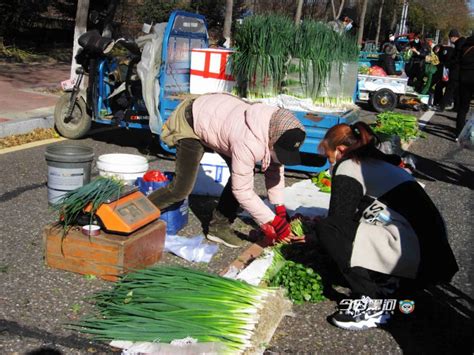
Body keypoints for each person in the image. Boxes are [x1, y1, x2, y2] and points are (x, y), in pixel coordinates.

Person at [309, 122, 458, 331]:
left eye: (329, 155)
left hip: (416, 254)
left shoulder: (349, 166)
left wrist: (312, 235)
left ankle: (373, 302)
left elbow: (338, 221)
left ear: (341, 150)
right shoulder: (378, 162)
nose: (329, 161)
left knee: (329, 229)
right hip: (434, 256)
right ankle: (389, 281)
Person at [147, 93, 306, 248]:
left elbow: (275, 166)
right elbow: (242, 191)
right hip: (192, 121)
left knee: (242, 177)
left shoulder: (277, 126)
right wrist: (274, 222)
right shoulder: (249, 141)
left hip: (217, 122)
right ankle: (139, 212)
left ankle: (218, 227)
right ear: (273, 138)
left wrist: (280, 209)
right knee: (180, 189)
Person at [436, 29, 466, 112]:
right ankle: (456, 107)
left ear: (453, 37)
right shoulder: (462, 43)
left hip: (456, 71)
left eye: (450, 38)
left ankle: (441, 106)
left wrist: (449, 64)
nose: (450, 40)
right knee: (456, 90)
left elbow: (457, 58)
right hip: (461, 71)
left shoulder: (459, 45)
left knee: (450, 89)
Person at [455, 33, 474, 136]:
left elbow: (457, 61)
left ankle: (458, 133)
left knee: (463, 107)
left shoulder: (464, 46)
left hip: (464, 78)